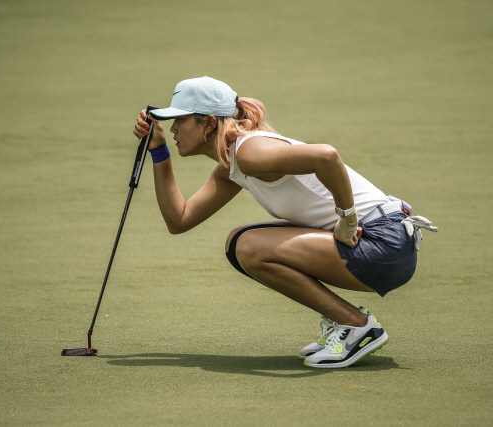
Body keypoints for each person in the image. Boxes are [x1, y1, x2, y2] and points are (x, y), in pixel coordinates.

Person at [133, 76, 437, 369]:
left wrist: (346, 217)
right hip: (380, 242)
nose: (173, 129)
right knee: (238, 241)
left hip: (384, 244)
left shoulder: (249, 151)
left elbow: (327, 156)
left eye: (181, 119)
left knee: (248, 246)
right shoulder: (231, 167)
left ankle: (357, 327)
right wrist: (158, 151)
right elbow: (179, 220)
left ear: (209, 123)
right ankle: (347, 322)